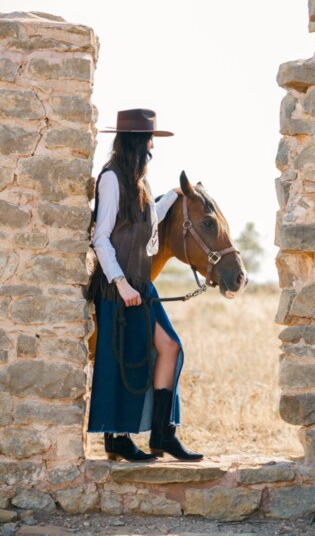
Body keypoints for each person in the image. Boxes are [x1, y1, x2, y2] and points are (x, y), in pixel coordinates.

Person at [87, 108, 203, 462]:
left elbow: (148, 227)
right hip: (118, 287)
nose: (153, 145)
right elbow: (101, 237)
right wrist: (121, 284)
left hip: (142, 283)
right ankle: (117, 438)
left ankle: (162, 435)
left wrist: (173, 197)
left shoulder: (140, 181)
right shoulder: (111, 179)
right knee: (125, 360)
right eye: (150, 139)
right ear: (138, 142)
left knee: (170, 348)